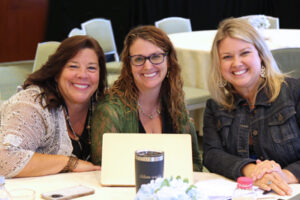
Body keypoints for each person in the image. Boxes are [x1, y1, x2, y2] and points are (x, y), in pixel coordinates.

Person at [203, 17, 300, 196]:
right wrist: (251, 172)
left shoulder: (294, 92)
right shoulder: (215, 106)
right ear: (218, 64)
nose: (236, 63)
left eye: (245, 53)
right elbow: (211, 154)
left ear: (261, 55)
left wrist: (283, 176)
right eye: (227, 57)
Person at [91, 25, 202, 171]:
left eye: (156, 57)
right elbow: (103, 169)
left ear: (169, 61)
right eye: (138, 59)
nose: (148, 66)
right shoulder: (110, 110)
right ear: (128, 65)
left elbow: (193, 163)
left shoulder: (174, 100)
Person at [0, 35, 107, 178]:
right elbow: (4, 159)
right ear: (57, 73)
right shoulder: (33, 104)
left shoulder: (101, 104)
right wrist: (70, 163)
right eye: (73, 66)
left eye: (92, 68)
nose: (83, 75)